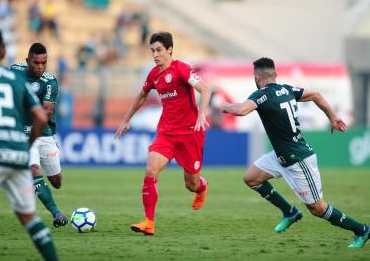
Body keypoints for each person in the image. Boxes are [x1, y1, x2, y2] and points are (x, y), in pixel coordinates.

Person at [220, 57, 369, 248]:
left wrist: (225, 106)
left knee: (318, 208)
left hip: (299, 160)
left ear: (257, 77)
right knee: (251, 178)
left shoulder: (261, 95)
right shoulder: (287, 89)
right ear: (275, 74)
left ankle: (362, 230)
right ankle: (289, 212)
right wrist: (333, 117)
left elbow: (241, 110)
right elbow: (316, 95)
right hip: (281, 155)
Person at [0, 28, 58, 260]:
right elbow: (40, 116)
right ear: (3, 52)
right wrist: (28, 145)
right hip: (18, 153)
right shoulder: (16, 80)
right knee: (29, 218)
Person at [115, 31, 211, 235]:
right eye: (152, 51)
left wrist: (201, 114)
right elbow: (141, 96)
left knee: (191, 184)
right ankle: (149, 222)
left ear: (169, 50)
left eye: (159, 50)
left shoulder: (182, 69)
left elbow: (205, 89)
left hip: (189, 134)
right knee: (150, 170)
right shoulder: (154, 74)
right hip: (166, 134)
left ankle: (202, 187)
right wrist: (126, 119)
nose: (155, 54)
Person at [10, 43, 68, 227]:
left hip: (43, 133)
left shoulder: (50, 81)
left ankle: (52, 181)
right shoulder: (15, 71)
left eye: (44, 63)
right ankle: (57, 214)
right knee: (34, 170)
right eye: (36, 63)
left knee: (56, 181)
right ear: (28, 61)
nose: (40, 67)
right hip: (22, 134)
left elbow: (47, 112)